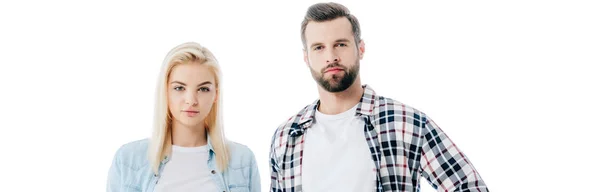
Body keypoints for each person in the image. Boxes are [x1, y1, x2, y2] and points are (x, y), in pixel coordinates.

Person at [269, 2, 488, 192]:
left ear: (360, 48)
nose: (331, 57)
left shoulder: (406, 123)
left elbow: (468, 185)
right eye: (319, 48)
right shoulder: (286, 137)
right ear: (306, 58)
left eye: (340, 44)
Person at [107, 42, 260, 192]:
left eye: (203, 89)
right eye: (179, 88)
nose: (191, 100)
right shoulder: (129, 160)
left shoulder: (242, 161)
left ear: (216, 95)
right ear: (165, 91)